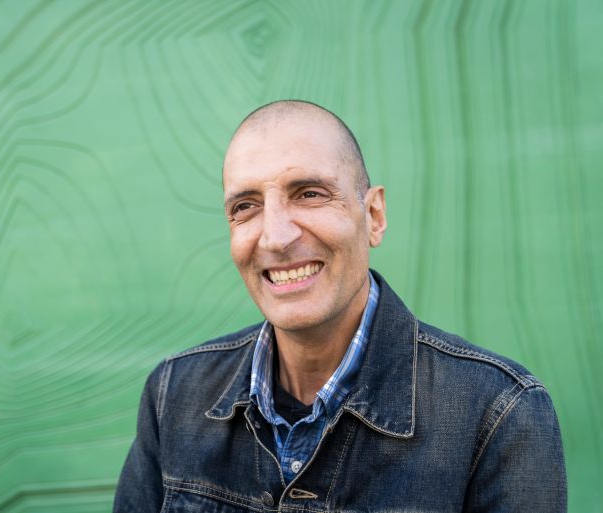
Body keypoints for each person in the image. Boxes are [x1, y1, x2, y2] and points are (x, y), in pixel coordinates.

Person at [113, 100, 567, 512]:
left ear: (374, 216)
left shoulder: (498, 413)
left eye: (309, 193)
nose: (275, 237)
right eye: (246, 206)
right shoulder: (173, 396)